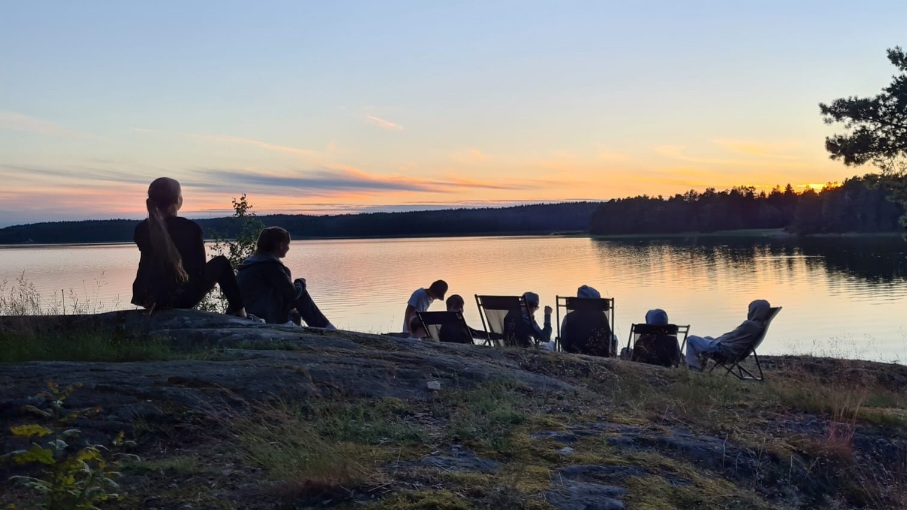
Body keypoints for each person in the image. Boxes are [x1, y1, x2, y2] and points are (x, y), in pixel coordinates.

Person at [131, 177, 248, 317]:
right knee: (221, 263)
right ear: (177, 200)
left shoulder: (141, 228)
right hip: (179, 298)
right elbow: (198, 271)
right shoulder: (190, 228)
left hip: (147, 297)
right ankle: (242, 315)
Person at [236, 226, 335, 328]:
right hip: (261, 316)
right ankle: (326, 328)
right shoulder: (270, 265)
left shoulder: (252, 263)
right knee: (301, 292)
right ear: (281, 245)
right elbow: (293, 293)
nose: (288, 248)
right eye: (287, 244)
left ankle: (320, 326)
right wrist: (301, 282)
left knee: (294, 308)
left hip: (249, 311)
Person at [685, 299, 772, 371]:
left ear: (755, 311)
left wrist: (717, 341)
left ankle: (695, 370)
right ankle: (698, 367)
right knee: (706, 338)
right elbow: (733, 337)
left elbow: (730, 336)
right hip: (734, 351)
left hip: (726, 351)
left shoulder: (750, 325)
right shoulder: (758, 326)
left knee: (691, 339)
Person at [559, 285, 613, 357]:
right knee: (614, 337)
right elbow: (607, 338)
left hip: (574, 355)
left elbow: (564, 343)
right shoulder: (602, 316)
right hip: (600, 355)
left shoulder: (569, 317)